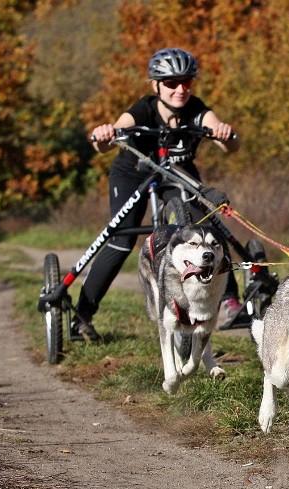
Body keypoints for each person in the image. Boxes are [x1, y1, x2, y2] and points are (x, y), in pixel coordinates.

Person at [74, 47, 244, 340]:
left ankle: (229, 301)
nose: (180, 89)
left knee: (205, 226)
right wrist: (104, 136)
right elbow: (108, 139)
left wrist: (225, 134)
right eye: (171, 83)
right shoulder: (143, 109)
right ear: (156, 85)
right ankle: (82, 317)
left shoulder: (197, 109)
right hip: (133, 174)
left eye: (187, 82)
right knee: (122, 238)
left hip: (177, 172)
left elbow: (223, 138)